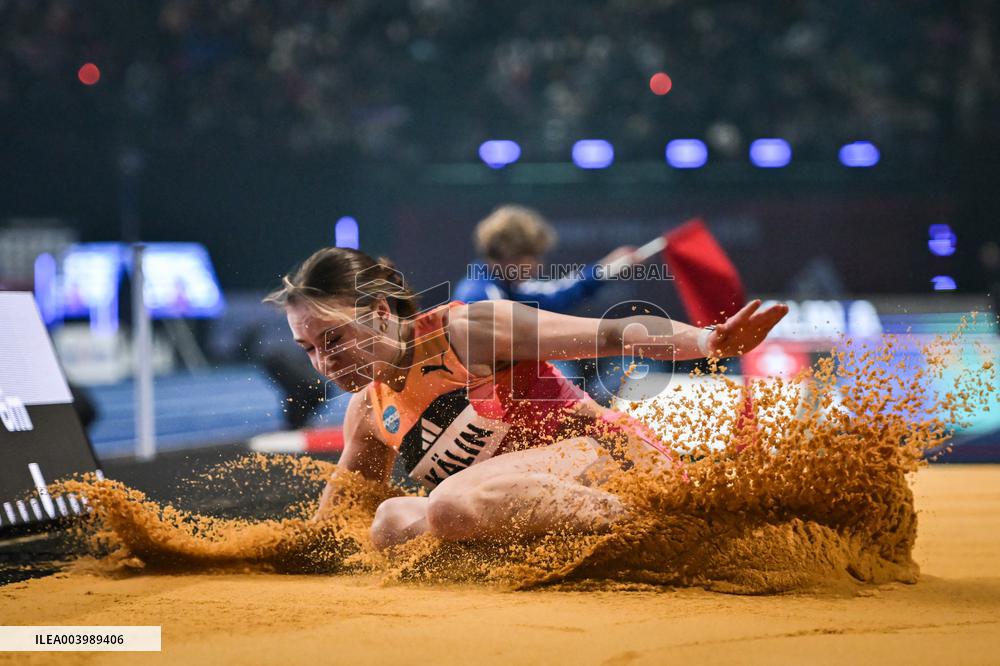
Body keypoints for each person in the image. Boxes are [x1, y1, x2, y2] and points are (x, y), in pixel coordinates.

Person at [264, 248, 787, 550]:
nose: (323, 363)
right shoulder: (367, 413)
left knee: (449, 503)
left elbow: (610, 335)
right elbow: (332, 531)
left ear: (379, 311)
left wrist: (707, 342)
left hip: (615, 463)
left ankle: (691, 532)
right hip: (516, 507)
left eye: (334, 340)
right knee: (389, 524)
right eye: (308, 349)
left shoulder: (469, 329)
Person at [455, 204, 639, 405]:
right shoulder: (479, 296)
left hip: (498, 394)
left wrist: (608, 268)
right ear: (510, 254)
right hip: (485, 402)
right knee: (561, 375)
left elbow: (560, 293)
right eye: (534, 256)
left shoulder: (509, 288)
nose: (539, 265)